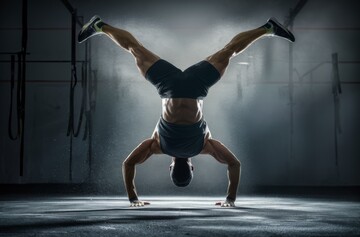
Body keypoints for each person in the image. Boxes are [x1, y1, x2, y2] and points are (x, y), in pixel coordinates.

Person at [78, 15, 295, 207]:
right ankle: (100, 26)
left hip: (195, 87)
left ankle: (268, 28)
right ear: (170, 167)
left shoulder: (203, 147)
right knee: (135, 48)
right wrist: (133, 198)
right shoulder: (158, 146)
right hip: (168, 87)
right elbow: (128, 164)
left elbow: (234, 164)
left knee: (229, 51)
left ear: (192, 169)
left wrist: (230, 199)